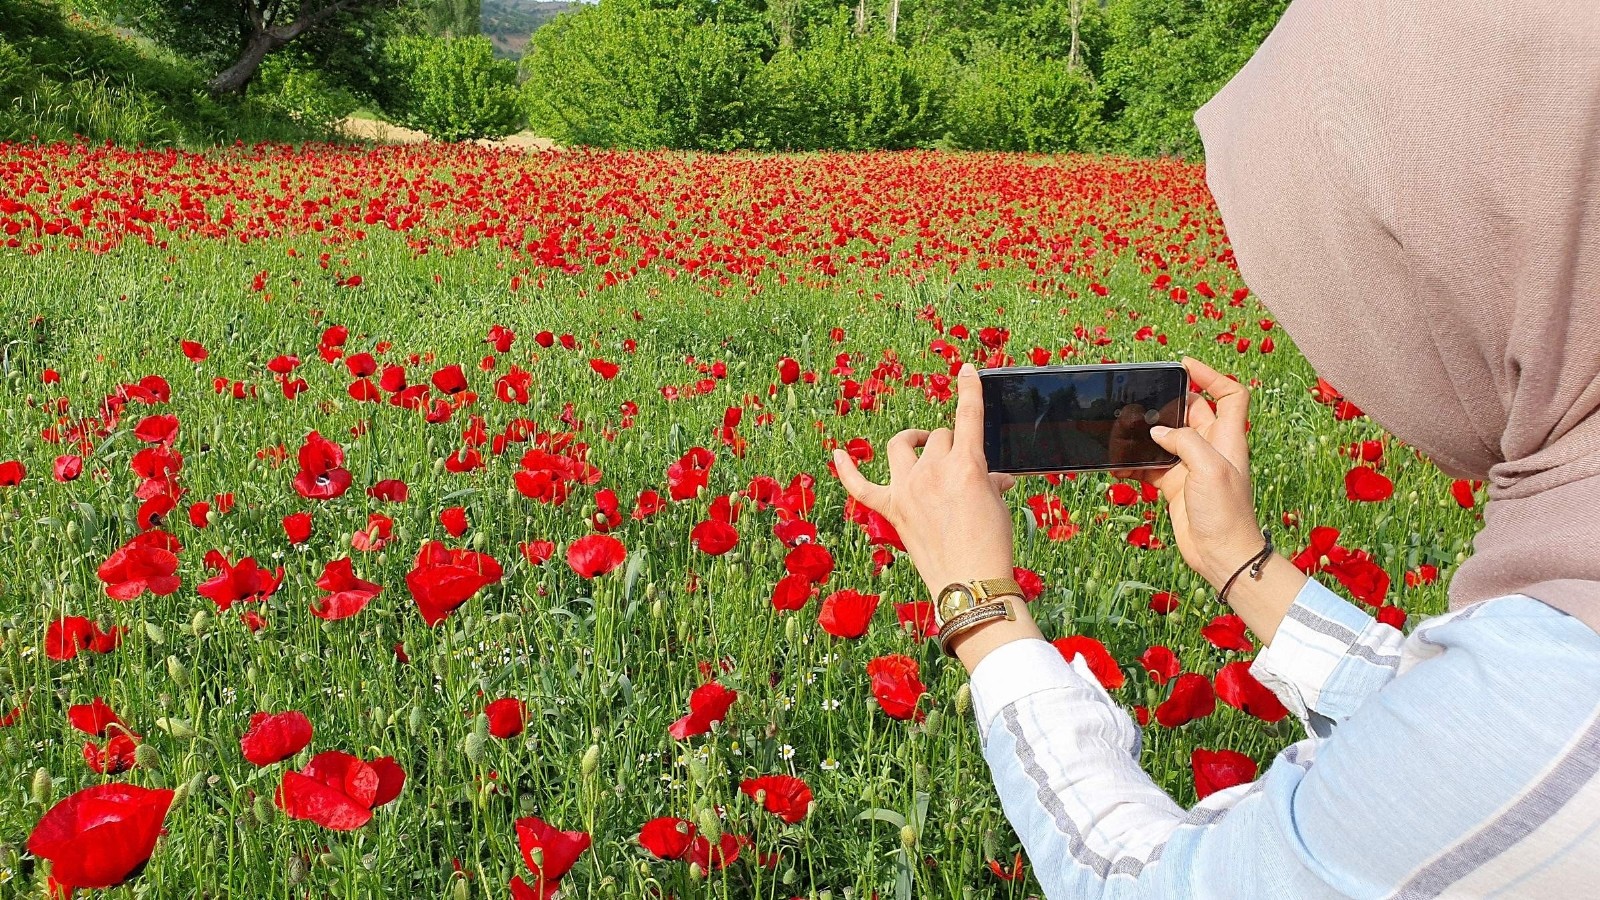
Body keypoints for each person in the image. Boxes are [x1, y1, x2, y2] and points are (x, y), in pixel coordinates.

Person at [831, 1, 1600, 896]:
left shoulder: (1555, 722)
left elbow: (1146, 885)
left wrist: (978, 599)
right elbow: (1461, 738)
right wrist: (1243, 562)